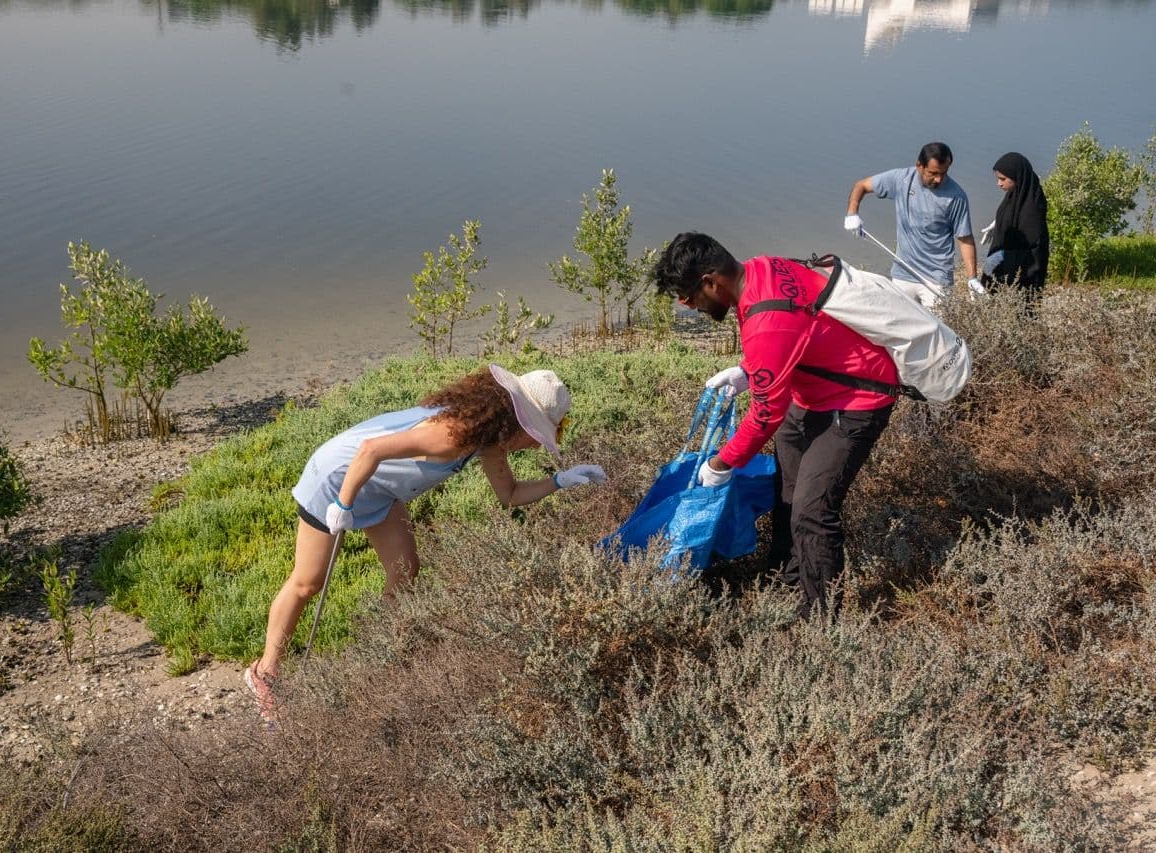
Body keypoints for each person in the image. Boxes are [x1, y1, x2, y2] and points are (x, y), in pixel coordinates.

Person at [244, 365, 607, 719]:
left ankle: (380, 651)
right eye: (536, 434)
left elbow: (509, 494)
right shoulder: (452, 433)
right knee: (309, 582)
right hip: (339, 478)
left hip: (380, 489)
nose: (536, 445)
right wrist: (343, 503)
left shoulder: (488, 440)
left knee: (405, 570)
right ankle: (265, 673)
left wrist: (560, 481)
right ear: (519, 421)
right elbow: (370, 450)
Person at [652, 233, 898, 618]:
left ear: (711, 282)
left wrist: (721, 464)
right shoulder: (761, 268)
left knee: (812, 509)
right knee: (788, 486)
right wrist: (749, 370)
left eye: (687, 298)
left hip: (858, 398)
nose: (690, 308)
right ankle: (787, 575)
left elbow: (766, 413)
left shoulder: (764, 321)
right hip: (814, 390)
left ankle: (820, 619)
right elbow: (795, 328)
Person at [845, 141, 981, 308]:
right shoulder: (901, 179)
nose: (939, 179)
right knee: (899, 322)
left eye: (944, 173)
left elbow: (965, 239)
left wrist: (972, 278)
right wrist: (852, 213)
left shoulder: (956, 196)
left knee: (937, 324)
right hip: (903, 273)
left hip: (937, 279)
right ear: (919, 166)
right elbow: (862, 185)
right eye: (933, 173)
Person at [980, 152, 1049, 298]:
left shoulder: (1033, 208)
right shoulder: (1015, 195)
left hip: (1022, 278)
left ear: (1017, 177)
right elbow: (1010, 215)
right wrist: (997, 223)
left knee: (1015, 309)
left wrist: (999, 259)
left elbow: (1032, 250)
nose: (999, 183)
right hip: (1003, 266)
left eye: (1003, 179)